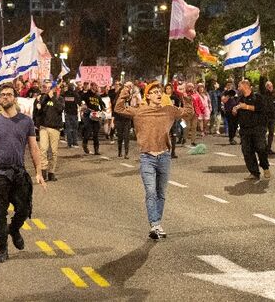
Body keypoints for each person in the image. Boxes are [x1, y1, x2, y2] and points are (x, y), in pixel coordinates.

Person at [0, 83, 46, 263]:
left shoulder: (26, 121)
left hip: (18, 172)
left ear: (15, 97)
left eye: (8, 94)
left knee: (23, 209)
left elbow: (34, 148)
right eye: (2, 95)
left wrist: (39, 172)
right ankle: (2, 248)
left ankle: (13, 230)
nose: (5, 97)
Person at [114, 81, 192, 239]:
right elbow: (119, 108)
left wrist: (185, 95)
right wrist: (126, 90)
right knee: (150, 192)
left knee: (161, 193)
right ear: (147, 95)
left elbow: (188, 112)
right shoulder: (139, 111)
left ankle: (157, 224)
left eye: (160, 92)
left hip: (164, 157)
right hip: (147, 157)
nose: (158, 94)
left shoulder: (169, 110)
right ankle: (155, 224)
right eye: (154, 91)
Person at [233, 79, 270, 181]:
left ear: (245, 86)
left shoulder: (257, 97)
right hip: (245, 129)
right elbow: (237, 113)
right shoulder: (240, 99)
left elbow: (261, 109)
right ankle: (254, 172)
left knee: (261, 148)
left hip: (258, 127)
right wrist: (235, 111)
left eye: (239, 86)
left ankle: (265, 166)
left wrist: (246, 106)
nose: (238, 88)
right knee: (247, 151)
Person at [33, 79, 64, 181]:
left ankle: (51, 172)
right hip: (44, 127)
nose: (46, 89)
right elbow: (35, 114)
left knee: (53, 152)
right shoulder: (39, 99)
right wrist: (39, 104)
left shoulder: (59, 98)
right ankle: (43, 172)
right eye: (44, 87)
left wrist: (52, 97)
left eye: (48, 87)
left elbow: (60, 109)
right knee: (43, 149)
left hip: (55, 128)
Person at [82, 83, 104, 155]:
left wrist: (103, 110)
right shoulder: (86, 94)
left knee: (96, 134)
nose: (96, 87)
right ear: (91, 87)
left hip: (96, 116)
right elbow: (81, 101)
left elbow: (102, 104)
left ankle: (96, 150)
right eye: (95, 86)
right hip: (88, 116)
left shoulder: (98, 96)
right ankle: (84, 144)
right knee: (88, 132)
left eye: (97, 86)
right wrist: (84, 107)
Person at [260, 79, 275, 155]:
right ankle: (264, 148)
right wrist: (262, 76)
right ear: (266, 87)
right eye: (269, 86)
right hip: (265, 117)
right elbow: (261, 87)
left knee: (271, 133)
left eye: (271, 86)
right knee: (264, 133)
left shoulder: (273, 97)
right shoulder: (263, 95)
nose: (271, 87)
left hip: (272, 118)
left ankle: (269, 148)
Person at [113, 84, 133, 159]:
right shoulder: (119, 98)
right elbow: (115, 108)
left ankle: (126, 153)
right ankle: (119, 151)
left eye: (129, 87)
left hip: (127, 119)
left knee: (126, 136)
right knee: (120, 136)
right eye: (126, 87)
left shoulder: (131, 97)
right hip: (119, 119)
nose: (128, 89)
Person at [62, 83, 80, 148]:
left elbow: (62, 102)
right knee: (75, 128)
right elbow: (79, 102)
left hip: (67, 113)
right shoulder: (75, 94)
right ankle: (75, 143)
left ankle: (70, 144)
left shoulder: (64, 94)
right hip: (74, 113)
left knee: (68, 129)